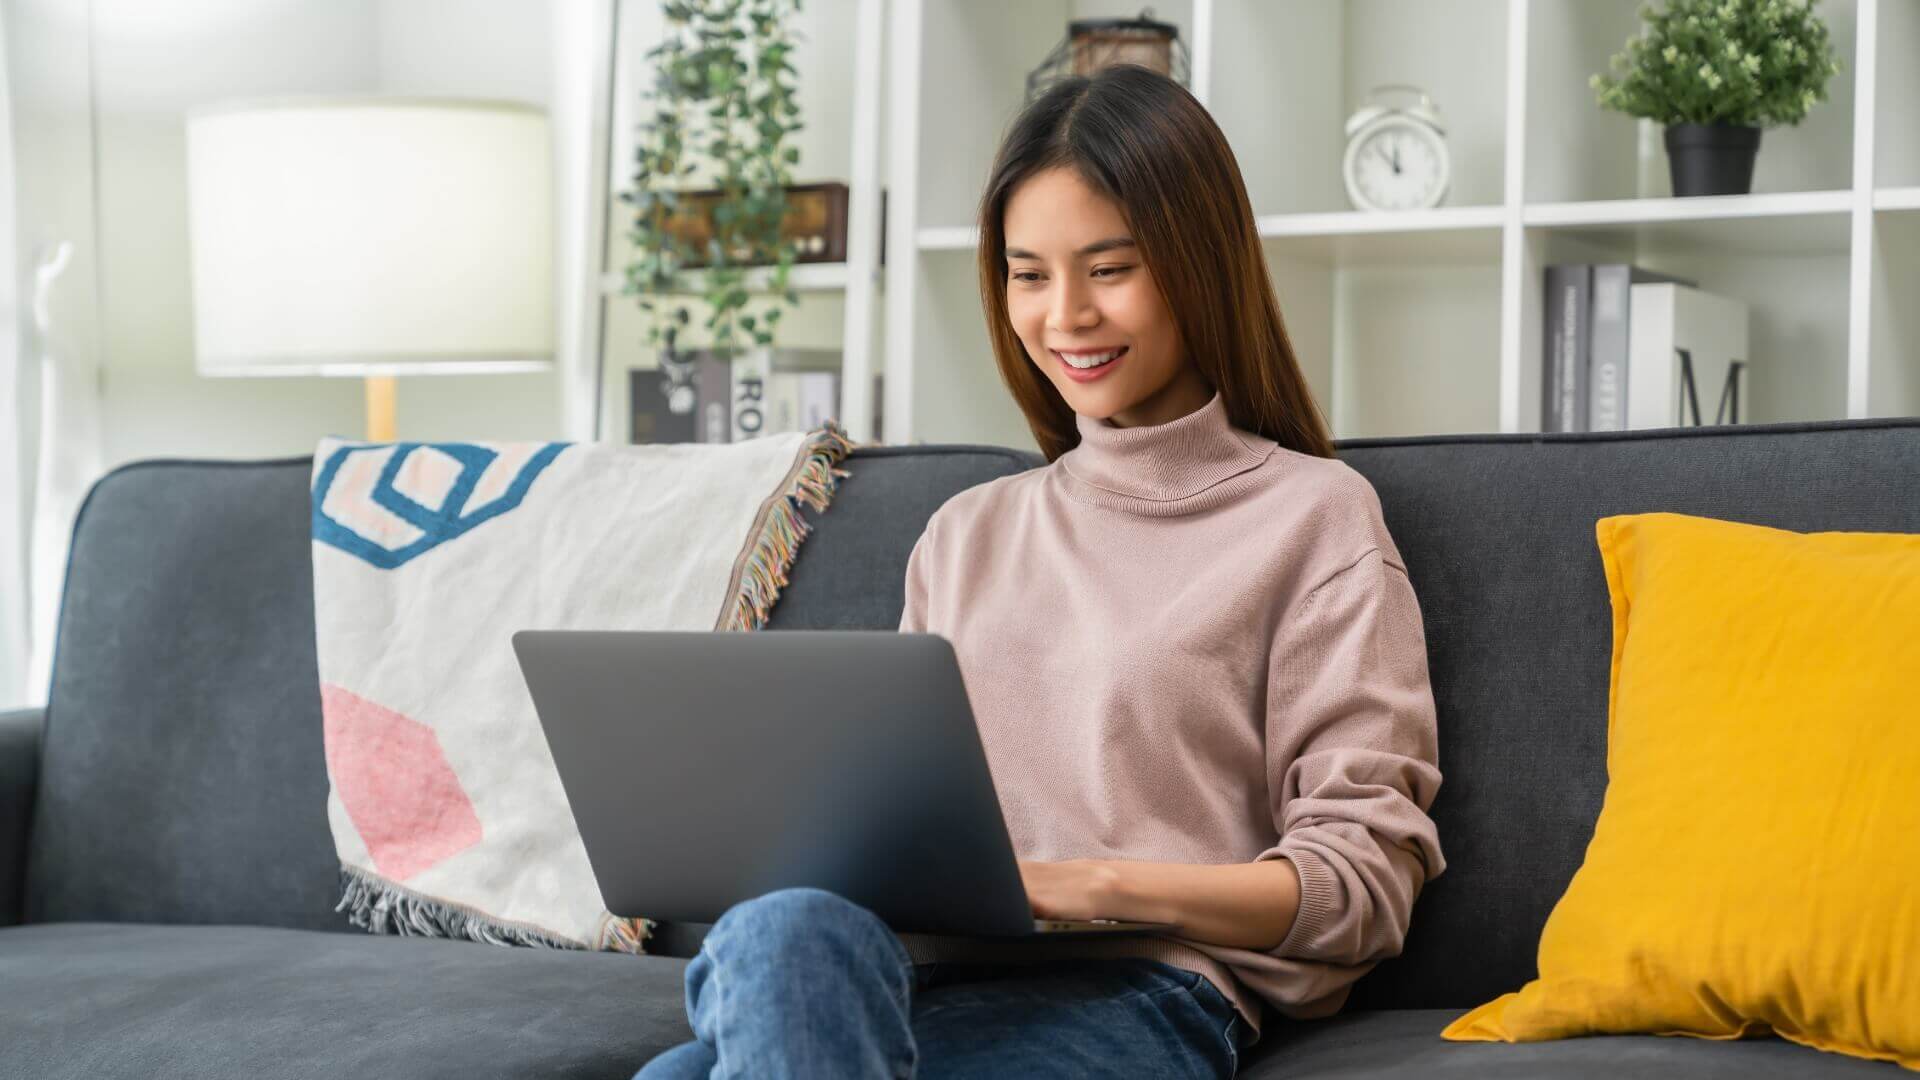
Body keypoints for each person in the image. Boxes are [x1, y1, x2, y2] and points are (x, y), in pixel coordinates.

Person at [636, 63, 1446, 1080]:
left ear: (1201, 264)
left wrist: (1088, 883)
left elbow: (1362, 888)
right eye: (1029, 274)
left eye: (1110, 268)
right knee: (782, 928)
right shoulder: (965, 535)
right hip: (905, 982)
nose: (1065, 316)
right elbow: (891, 818)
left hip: (1144, 997)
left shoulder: (1314, 520)